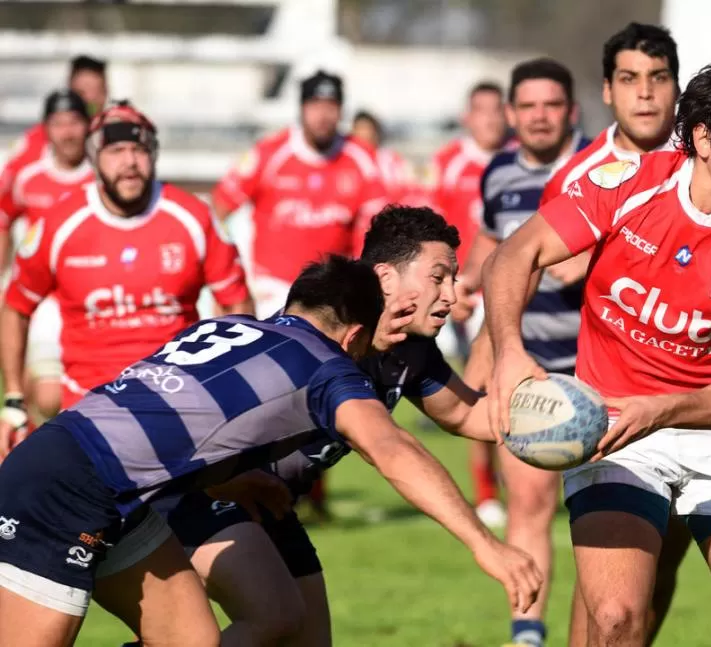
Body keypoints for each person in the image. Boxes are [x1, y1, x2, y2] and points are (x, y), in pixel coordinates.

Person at [0, 255, 542, 647]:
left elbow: (161, 427)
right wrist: (484, 545)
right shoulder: (325, 366)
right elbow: (393, 448)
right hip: (64, 494)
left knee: (192, 640)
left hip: (100, 481)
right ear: (353, 334)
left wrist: (226, 481)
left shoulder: (230, 326)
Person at [484, 55, 711, 647]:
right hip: (615, 432)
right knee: (614, 619)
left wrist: (660, 408)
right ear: (705, 138)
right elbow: (516, 254)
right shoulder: (629, 184)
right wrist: (509, 349)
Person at [158, 205, 518, 646]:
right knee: (275, 618)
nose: (450, 294)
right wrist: (485, 544)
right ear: (385, 278)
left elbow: (466, 414)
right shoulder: (322, 333)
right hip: (205, 490)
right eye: (437, 277)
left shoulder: (410, 350)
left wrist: (576, 419)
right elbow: (392, 452)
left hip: (269, 504)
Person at [0, 101, 254, 454]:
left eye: (139, 149)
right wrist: (13, 400)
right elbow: (16, 307)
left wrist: (234, 385)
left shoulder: (194, 218)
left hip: (177, 403)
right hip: (88, 409)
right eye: (116, 150)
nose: (130, 161)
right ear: (94, 158)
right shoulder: (59, 225)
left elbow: (235, 303)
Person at [453, 58, 588, 647]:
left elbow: (586, 262)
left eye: (551, 105)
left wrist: (543, 260)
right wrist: (462, 283)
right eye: (527, 106)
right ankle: (527, 632)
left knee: (608, 518)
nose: (539, 117)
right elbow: (489, 242)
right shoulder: (500, 171)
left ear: (572, 111)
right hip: (526, 366)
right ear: (510, 114)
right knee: (529, 505)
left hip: (605, 369)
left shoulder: (598, 169)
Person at [210, 69, 388, 320]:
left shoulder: (361, 159)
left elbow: (376, 229)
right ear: (302, 108)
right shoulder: (270, 153)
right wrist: (225, 280)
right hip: (271, 289)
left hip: (333, 290)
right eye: (315, 106)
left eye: (331, 107)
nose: (323, 116)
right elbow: (219, 210)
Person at [429, 80, 509, 527]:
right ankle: (486, 490)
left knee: (496, 383)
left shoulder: (521, 159)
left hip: (511, 286)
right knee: (477, 387)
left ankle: (506, 484)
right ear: (468, 116)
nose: (491, 119)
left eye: (497, 110)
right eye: (482, 110)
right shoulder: (447, 164)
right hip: (461, 289)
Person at [0, 90, 94, 430]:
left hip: (86, 299)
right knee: (40, 397)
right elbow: (4, 217)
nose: (67, 132)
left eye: (74, 122)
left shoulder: (101, 178)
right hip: (42, 299)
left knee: (55, 398)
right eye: (58, 124)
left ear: (87, 126)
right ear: (47, 129)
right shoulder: (29, 177)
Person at [351, 110, 430, 208]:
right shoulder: (348, 160)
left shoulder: (388, 158)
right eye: (359, 129)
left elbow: (407, 186)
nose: (363, 133)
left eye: (367, 128)